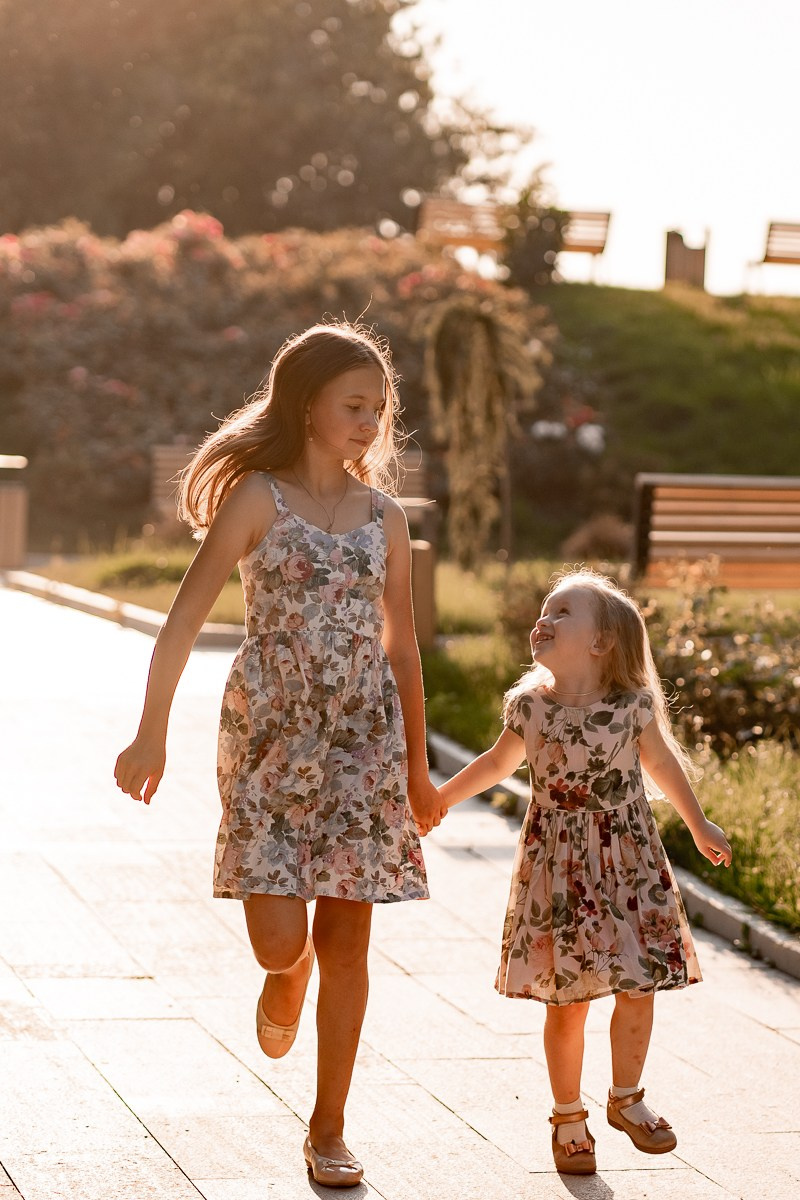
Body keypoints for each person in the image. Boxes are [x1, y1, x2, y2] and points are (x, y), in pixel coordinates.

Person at [114, 321, 445, 1188]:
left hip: (361, 747)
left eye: (379, 408)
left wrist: (417, 769)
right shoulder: (259, 498)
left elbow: (403, 650)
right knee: (277, 943)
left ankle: (328, 1125)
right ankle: (282, 974)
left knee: (349, 941)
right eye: (354, 406)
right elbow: (185, 618)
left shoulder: (386, 519)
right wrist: (151, 730)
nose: (372, 422)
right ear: (307, 405)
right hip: (268, 739)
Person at [436, 568, 731, 1177]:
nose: (544, 618)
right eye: (544, 609)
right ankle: (568, 1115)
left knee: (639, 981)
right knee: (566, 1000)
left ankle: (626, 1096)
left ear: (601, 643)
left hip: (629, 861)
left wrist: (699, 825)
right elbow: (495, 764)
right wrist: (441, 799)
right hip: (559, 868)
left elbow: (664, 767)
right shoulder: (531, 709)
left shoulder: (631, 709)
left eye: (563, 611)